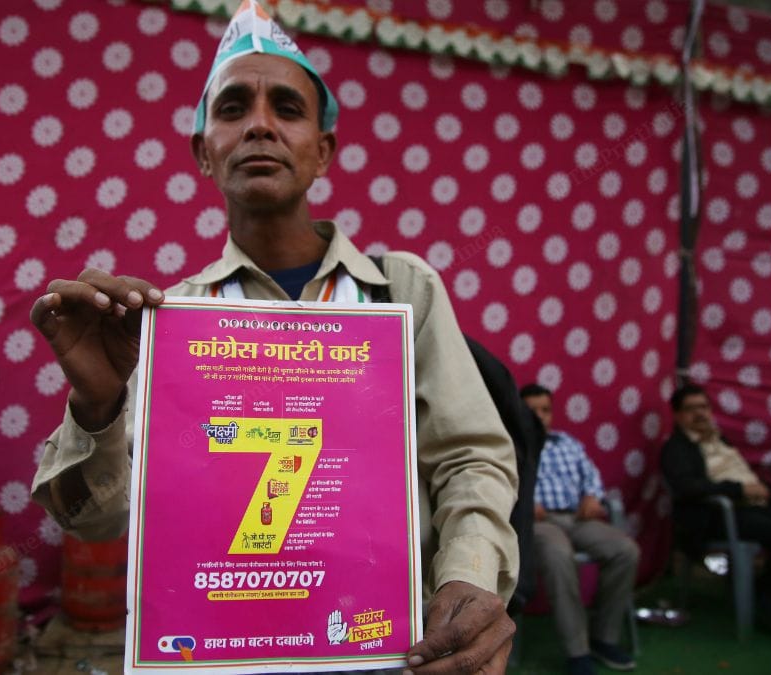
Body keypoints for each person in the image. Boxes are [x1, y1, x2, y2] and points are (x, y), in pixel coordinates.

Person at [28, 3, 520, 672]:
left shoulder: (398, 289)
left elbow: (470, 460)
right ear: (204, 151)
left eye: (287, 108)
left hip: (389, 651)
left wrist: (468, 577)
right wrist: (98, 404)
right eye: (232, 108)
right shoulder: (173, 321)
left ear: (323, 150)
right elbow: (96, 519)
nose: (259, 124)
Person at [661, 384, 771, 639]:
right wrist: (738, 490)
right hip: (716, 515)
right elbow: (687, 487)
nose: (699, 414)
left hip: (752, 506)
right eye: (690, 409)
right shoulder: (676, 448)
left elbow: (746, 477)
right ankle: (768, 597)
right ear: (677, 416)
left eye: (704, 407)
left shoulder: (719, 439)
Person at [519, 385, 638, 674]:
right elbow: (501, 486)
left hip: (576, 518)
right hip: (538, 523)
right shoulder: (511, 446)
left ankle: (603, 636)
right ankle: (577, 651)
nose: (539, 416)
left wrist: (591, 496)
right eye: (531, 410)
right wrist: (523, 503)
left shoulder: (567, 443)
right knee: (559, 556)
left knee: (625, 551)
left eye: (545, 410)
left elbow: (591, 476)